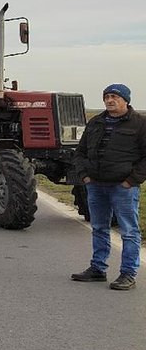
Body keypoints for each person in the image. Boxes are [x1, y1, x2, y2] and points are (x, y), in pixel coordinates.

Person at [71, 83, 146, 290]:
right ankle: (98, 268)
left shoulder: (140, 124)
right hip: (96, 185)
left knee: (129, 231)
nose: (110, 100)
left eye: (115, 97)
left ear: (126, 100)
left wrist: (131, 181)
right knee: (98, 228)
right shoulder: (96, 122)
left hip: (123, 187)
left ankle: (128, 274)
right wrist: (85, 175)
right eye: (107, 97)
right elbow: (80, 152)